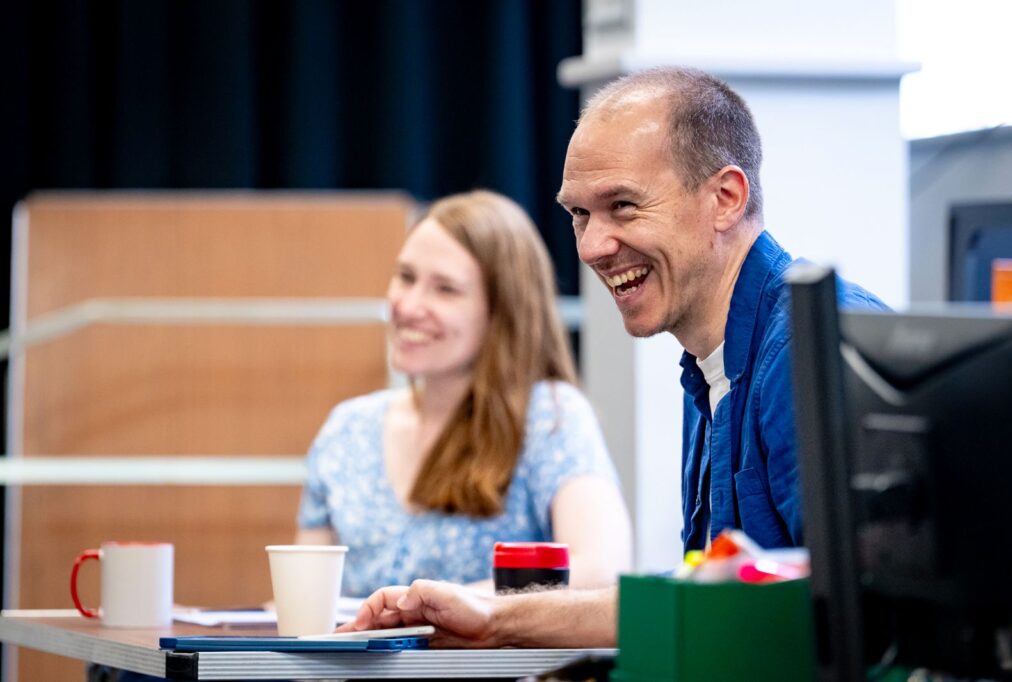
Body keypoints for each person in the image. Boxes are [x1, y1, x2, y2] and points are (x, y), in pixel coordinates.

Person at [339, 66, 887, 646]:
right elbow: (709, 594)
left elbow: (852, 605)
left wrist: (500, 617)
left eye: (623, 206)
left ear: (725, 199)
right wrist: (492, 618)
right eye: (579, 214)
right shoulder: (711, 369)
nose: (593, 246)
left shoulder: (807, 351)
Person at [295, 189, 632, 597]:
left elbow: (602, 567)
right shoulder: (348, 428)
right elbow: (305, 596)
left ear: (501, 312)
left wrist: (441, 604)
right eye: (406, 277)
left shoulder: (549, 416)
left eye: (446, 289)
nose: (409, 306)